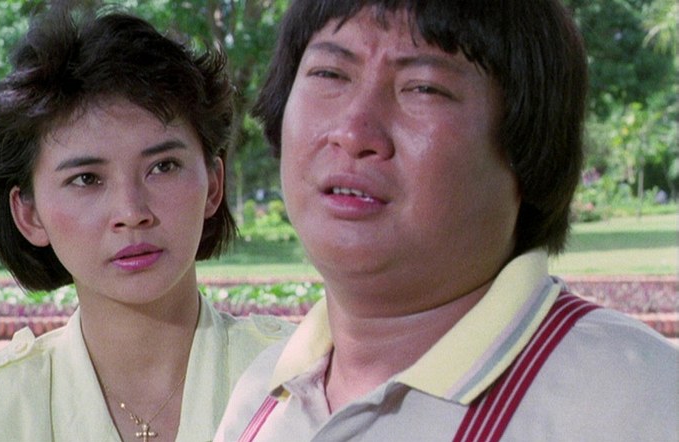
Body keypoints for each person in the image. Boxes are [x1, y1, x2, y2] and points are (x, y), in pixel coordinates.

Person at [215, 1, 678, 441]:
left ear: (531, 145)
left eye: (424, 88)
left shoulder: (636, 404)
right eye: (330, 74)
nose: (353, 132)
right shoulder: (261, 399)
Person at [0, 5, 293, 441]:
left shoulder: (307, 387)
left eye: (163, 166)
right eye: (86, 179)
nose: (131, 212)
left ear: (213, 185)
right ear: (28, 213)